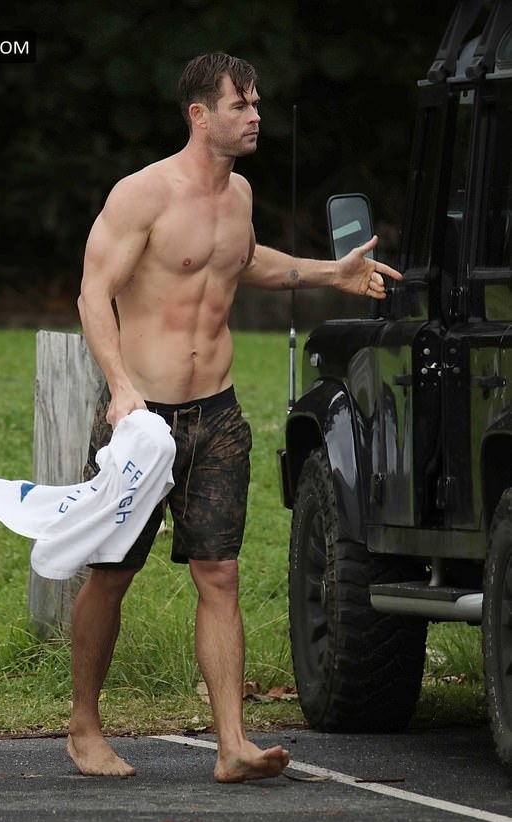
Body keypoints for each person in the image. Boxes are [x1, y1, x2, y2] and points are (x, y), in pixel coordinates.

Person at [70, 52, 401, 782]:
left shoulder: (240, 195)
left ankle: (232, 744)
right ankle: (84, 727)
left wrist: (333, 272)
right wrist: (119, 388)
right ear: (200, 115)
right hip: (142, 419)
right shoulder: (143, 194)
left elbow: (242, 262)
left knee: (219, 572)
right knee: (113, 572)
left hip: (217, 415)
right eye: (240, 104)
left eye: (256, 103)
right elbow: (94, 292)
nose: (255, 116)